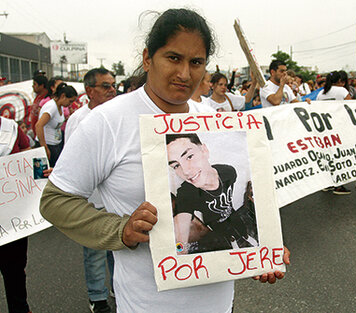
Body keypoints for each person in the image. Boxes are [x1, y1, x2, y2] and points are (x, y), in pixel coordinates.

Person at [40, 8, 289, 313]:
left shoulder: (213, 122)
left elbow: (247, 205)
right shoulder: (107, 122)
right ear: (148, 58)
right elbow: (54, 201)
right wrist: (121, 230)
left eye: (196, 62)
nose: (185, 74)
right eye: (173, 58)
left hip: (220, 306)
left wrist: (264, 249)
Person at [64, 68, 117, 313]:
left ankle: (118, 287)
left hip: (116, 199)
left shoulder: (117, 115)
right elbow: (73, 162)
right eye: (105, 86)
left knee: (117, 249)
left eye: (113, 85)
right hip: (93, 201)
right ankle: (97, 298)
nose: (112, 90)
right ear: (89, 91)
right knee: (95, 253)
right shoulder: (79, 120)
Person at [167, 133, 258, 255]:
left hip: (232, 212)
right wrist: (179, 250)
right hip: (215, 224)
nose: (186, 171)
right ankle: (235, 248)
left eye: (189, 156)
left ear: (204, 151)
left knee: (242, 230)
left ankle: (248, 240)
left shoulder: (228, 172)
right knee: (230, 239)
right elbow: (181, 236)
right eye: (176, 165)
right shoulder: (186, 193)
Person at [0, 116, 32, 313]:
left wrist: (38, 173)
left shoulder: (10, 128)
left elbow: (27, 159)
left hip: (10, 218)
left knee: (15, 272)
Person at [35, 83, 77, 167]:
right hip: (48, 145)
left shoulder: (60, 106)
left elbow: (53, 122)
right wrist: (44, 147)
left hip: (55, 145)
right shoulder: (51, 107)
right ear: (63, 96)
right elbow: (39, 125)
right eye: (70, 101)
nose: (70, 104)